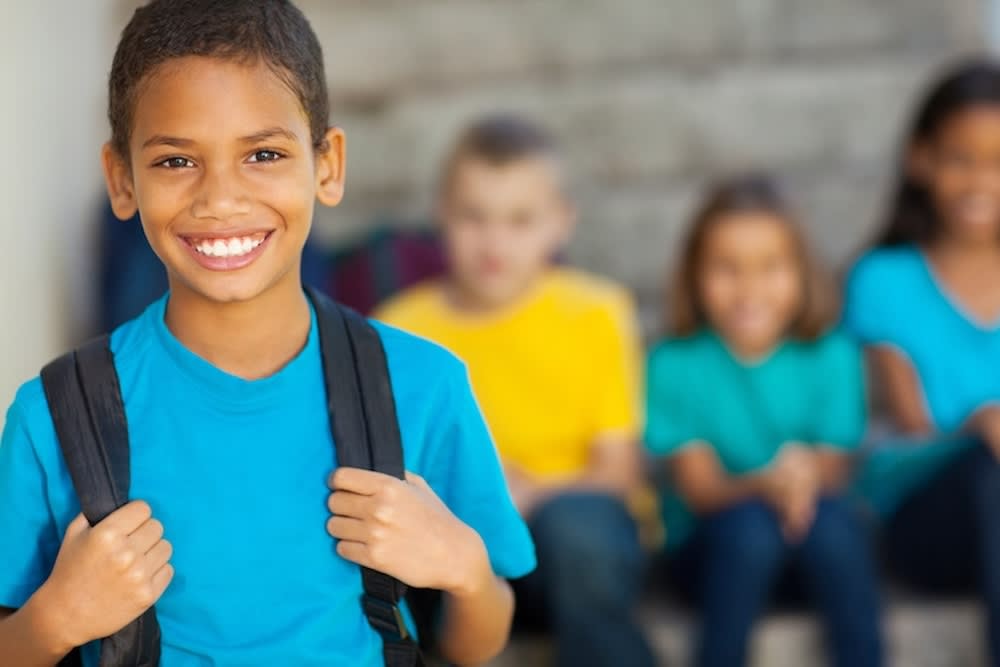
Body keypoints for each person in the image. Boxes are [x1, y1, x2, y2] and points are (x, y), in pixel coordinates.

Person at [0, 2, 535, 665]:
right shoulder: (54, 415)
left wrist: (465, 568)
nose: (221, 198)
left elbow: (479, 640)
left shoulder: (421, 385)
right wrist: (55, 618)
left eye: (263, 153)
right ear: (120, 178)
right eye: (175, 161)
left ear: (328, 165)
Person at [376, 114, 655, 667]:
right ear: (441, 217)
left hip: (572, 553)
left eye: (520, 220)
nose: (494, 241)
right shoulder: (399, 326)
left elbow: (618, 474)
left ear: (561, 223)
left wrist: (525, 496)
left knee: (577, 528)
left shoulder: (597, 313)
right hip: (457, 553)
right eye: (473, 217)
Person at [647, 175, 883, 667]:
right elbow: (699, 488)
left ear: (802, 272)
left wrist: (800, 477)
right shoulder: (675, 362)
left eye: (770, 268)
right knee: (751, 529)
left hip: (807, 540)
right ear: (694, 275)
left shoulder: (833, 353)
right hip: (710, 553)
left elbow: (836, 469)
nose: (749, 288)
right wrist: (766, 483)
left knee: (838, 526)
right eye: (726, 269)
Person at [843, 59, 1000, 666]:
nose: (981, 181)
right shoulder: (884, 279)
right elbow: (913, 424)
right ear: (921, 159)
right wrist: (979, 425)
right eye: (961, 158)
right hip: (929, 514)